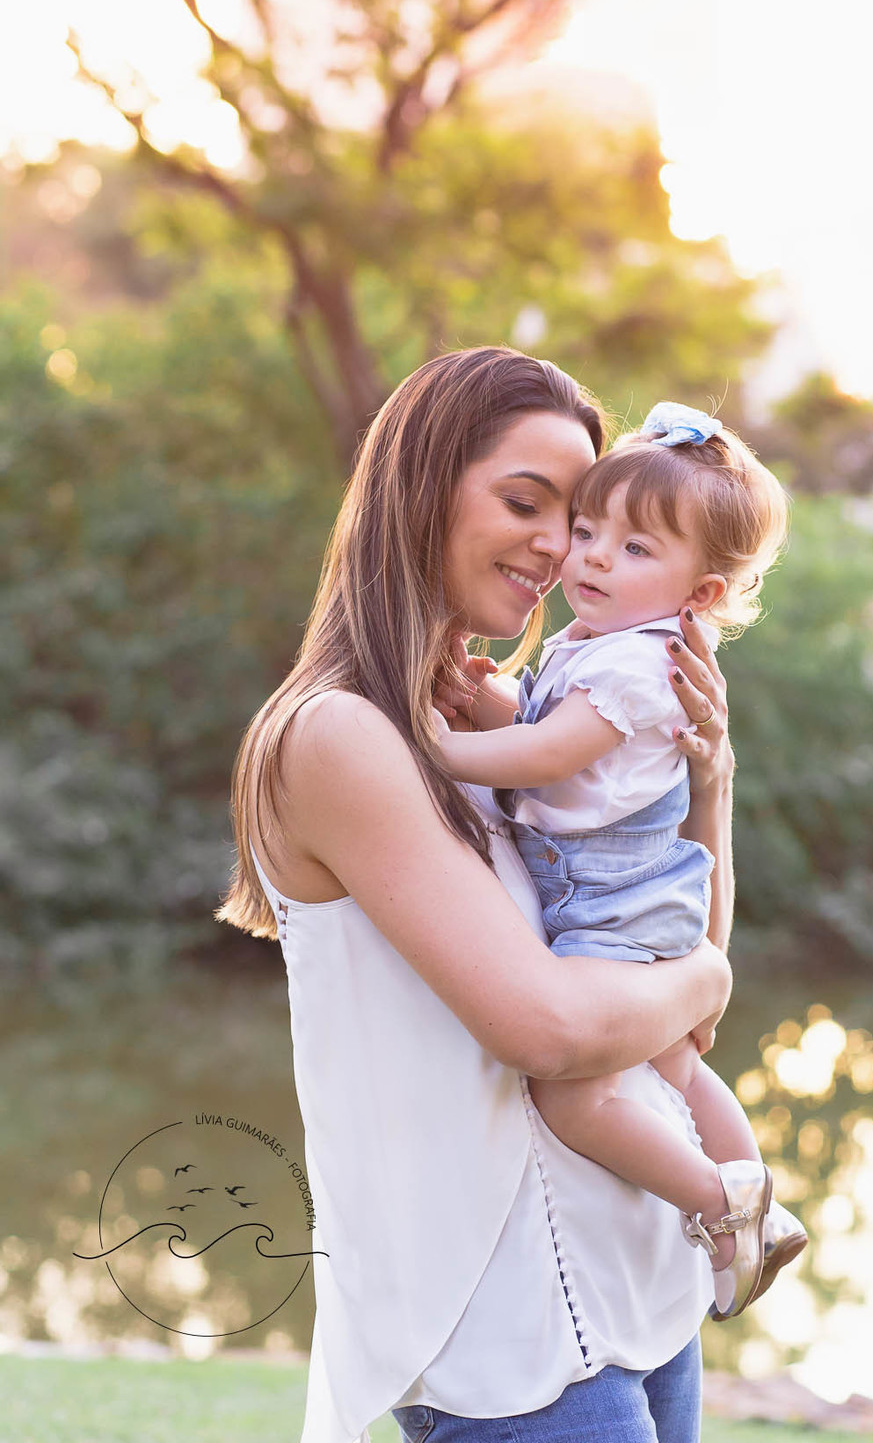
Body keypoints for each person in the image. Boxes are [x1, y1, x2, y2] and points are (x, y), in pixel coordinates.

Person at [218, 348, 767, 1443]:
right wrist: (709, 972)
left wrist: (709, 785)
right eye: (527, 503)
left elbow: (677, 999)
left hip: (640, 1291)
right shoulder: (339, 736)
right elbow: (555, 1029)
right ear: (420, 488)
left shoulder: (510, 733)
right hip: (505, 1343)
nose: (562, 548)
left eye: (581, 517)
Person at [432, 401, 805, 1322]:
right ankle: (763, 1200)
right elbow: (537, 727)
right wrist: (488, 705)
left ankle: (723, 1203)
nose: (591, 556)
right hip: (635, 897)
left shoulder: (644, 665)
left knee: (574, 1099)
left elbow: (546, 755)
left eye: (636, 550)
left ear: (702, 594)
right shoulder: (599, 643)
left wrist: (435, 745)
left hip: (618, 904)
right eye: (590, 530)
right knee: (674, 1068)